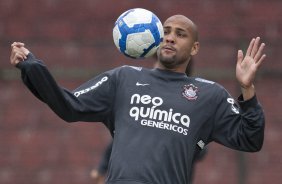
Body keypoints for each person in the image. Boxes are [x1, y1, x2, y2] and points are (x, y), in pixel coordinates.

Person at [10, 15, 266, 184]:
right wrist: (31, 66)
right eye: (165, 31)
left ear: (195, 48)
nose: (170, 37)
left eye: (180, 33)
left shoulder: (210, 95)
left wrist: (247, 88)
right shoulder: (123, 79)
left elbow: (250, 138)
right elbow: (68, 106)